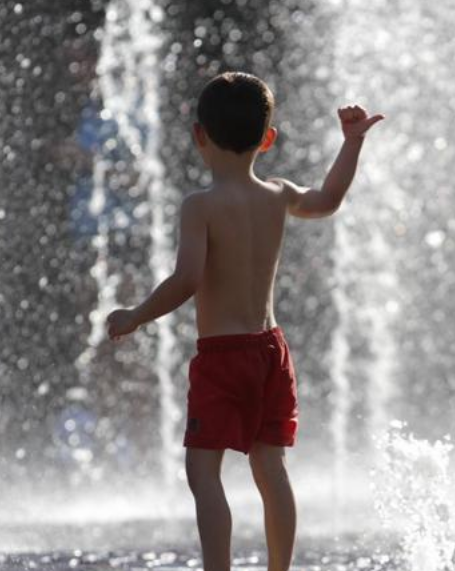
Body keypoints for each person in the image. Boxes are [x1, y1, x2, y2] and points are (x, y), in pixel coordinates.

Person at [106, 71, 383, 571]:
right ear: (268, 138)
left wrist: (135, 316)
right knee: (271, 468)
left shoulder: (200, 206)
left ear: (199, 135)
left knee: (203, 473)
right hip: (271, 351)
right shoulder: (277, 194)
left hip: (222, 357)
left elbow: (187, 280)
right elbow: (328, 200)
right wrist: (352, 142)